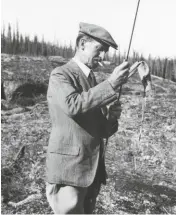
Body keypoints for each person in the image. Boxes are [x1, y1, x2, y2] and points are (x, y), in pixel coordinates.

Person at [46, 22, 129, 214]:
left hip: (90, 171)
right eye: (99, 50)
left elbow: (102, 130)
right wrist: (110, 85)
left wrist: (111, 118)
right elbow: (73, 105)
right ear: (82, 44)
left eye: (106, 52)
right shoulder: (60, 75)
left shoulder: (91, 80)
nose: (103, 57)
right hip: (69, 171)